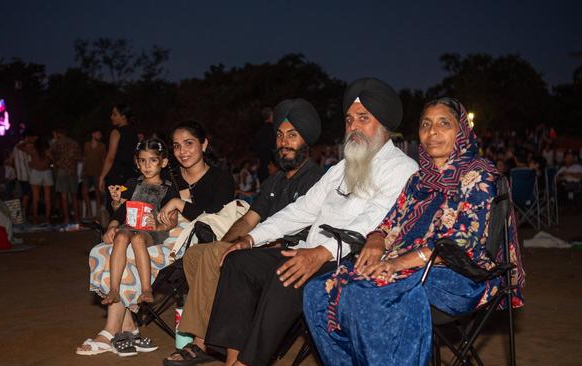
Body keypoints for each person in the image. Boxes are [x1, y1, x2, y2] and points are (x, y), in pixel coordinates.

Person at [204, 78, 418, 366]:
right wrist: (252, 238)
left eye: (363, 118)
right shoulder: (341, 168)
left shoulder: (402, 168)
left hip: (349, 259)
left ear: (383, 124)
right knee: (239, 262)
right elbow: (300, 210)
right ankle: (233, 360)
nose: (353, 126)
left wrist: (320, 254)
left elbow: (373, 222)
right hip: (310, 250)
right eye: (349, 119)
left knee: (287, 275)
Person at [303, 97, 525, 366]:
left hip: (458, 275)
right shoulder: (418, 180)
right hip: (406, 267)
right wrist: (376, 240)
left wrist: (396, 264)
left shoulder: (478, 176)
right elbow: (388, 223)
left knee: (365, 294)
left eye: (444, 123)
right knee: (316, 291)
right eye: (425, 124)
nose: (432, 132)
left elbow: (461, 244)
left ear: (462, 130)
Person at [163, 98, 326, 365]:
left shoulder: (316, 179)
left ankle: (202, 342)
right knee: (197, 254)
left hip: (285, 251)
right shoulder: (274, 181)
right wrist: (227, 242)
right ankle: (209, 336)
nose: (283, 142)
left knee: (221, 258)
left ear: (306, 141)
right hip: (255, 244)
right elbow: (250, 218)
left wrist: (234, 249)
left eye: (292, 136)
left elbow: (308, 232)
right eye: (280, 135)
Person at [79, 121, 234, 357]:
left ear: (204, 144)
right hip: (148, 231)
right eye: (177, 146)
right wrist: (113, 221)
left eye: (189, 143)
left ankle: (110, 331)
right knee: (103, 249)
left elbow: (215, 216)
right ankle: (128, 326)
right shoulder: (168, 175)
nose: (182, 151)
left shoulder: (220, 179)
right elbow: (134, 206)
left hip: (191, 238)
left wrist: (178, 203)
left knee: (130, 250)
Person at [100, 138, 178, 305]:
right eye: (142, 161)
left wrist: (158, 225)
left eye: (153, 160)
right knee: (121, 237)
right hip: (129, 225)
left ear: (163, 162)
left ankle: (146, 289)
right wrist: (114, 213)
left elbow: (173, 221)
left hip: (151, 231)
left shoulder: (169, 188)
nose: (147, 165)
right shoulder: (132, 183)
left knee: (137, 239)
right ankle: (114, 290)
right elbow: (121, 211)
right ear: (137, 163)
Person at [99, 105, 139, 215]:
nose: (111, 117)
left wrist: (102, 177)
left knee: (114, 204)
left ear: (123, 116)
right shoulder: (134, 132)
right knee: (128, 203)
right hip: (131, 174)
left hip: (117, 174)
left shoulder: (116, 132)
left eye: (114, 114)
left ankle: (113, 229)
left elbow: (111, 157)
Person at [49, 128, 82, 224]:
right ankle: (76, 219)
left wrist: (56, 162)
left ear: (59, 133)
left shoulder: (57, 143)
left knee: (64, 197)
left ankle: (66, 219)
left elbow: (48, 153)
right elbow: (79, 157)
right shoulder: (74, 143)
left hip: (62, 171)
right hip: (72, 171)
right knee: (74, 196)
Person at [19, 135, 53, 224]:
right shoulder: (48, 151)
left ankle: (35, 218)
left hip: (36, 173)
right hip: (47, 173)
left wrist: (28, 140)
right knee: (47, 198)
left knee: (35, 198)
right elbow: (54, 161)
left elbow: (19, 147)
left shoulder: (33, 150)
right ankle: (47, 218)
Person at [81, 129, 107, 219]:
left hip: (97, 173)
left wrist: (103, 175)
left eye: (100, 134)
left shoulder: (102, 146)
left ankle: (98, 215)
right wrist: (82, 171)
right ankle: (89, 212)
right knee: (84, 193)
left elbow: (104, 160)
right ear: (93, 134)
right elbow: (84, 158)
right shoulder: (86, 145)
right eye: (98, 133)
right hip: (87, 173)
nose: (100, 135)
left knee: (98, 194)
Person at [13, 132, 34, 219]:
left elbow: (12, 160)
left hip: (20, 175)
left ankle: (20, 215)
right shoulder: (26, 146)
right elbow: (30, 161)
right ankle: (23, 215)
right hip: (27, 175)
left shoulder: (15, 147)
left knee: (22, 195)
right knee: (27, 195)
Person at [253, 106, 276, 182]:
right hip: (273, 167)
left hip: (262, 168)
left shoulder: (258, 132)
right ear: (272, 115)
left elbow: (256, 152)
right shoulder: (274, 130)